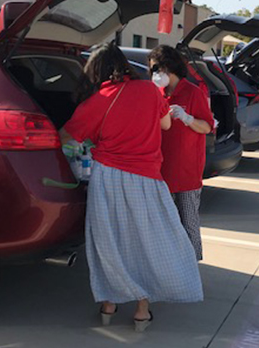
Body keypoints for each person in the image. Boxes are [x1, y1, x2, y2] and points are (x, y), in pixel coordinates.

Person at [60, 42, 202, 332]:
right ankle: (141, 308)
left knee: (109, 241)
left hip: (107, 179)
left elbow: (66, 138)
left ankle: (109, 304)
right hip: (148, 179)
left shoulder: (96, 99)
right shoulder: (150, 90)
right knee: (145, 242)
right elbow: (165, 125)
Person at [149, 45, 213, 261]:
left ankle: (192, 267)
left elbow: (207, 127)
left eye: (156, 69)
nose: (154, 75)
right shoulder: (157, 94)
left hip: (186, 173)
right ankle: (169, 265)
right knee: (163, 224)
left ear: (169, 67)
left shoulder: (193, 93)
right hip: (160, 171)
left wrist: (188, 119)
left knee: (188, 224)